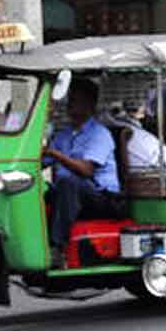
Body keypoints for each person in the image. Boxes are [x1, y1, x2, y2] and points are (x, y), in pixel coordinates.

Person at [42, 77, 123, 266]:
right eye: (69, 99)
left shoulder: (99, 134)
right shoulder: (63, 134)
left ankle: (57, 248)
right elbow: (43, 161)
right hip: (71, 193)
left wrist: (55, 153)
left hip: (102, 197)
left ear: (89, 104)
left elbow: (86, 170)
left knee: (68, 182)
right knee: (39, 191)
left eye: (75, 100)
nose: (69, 105)